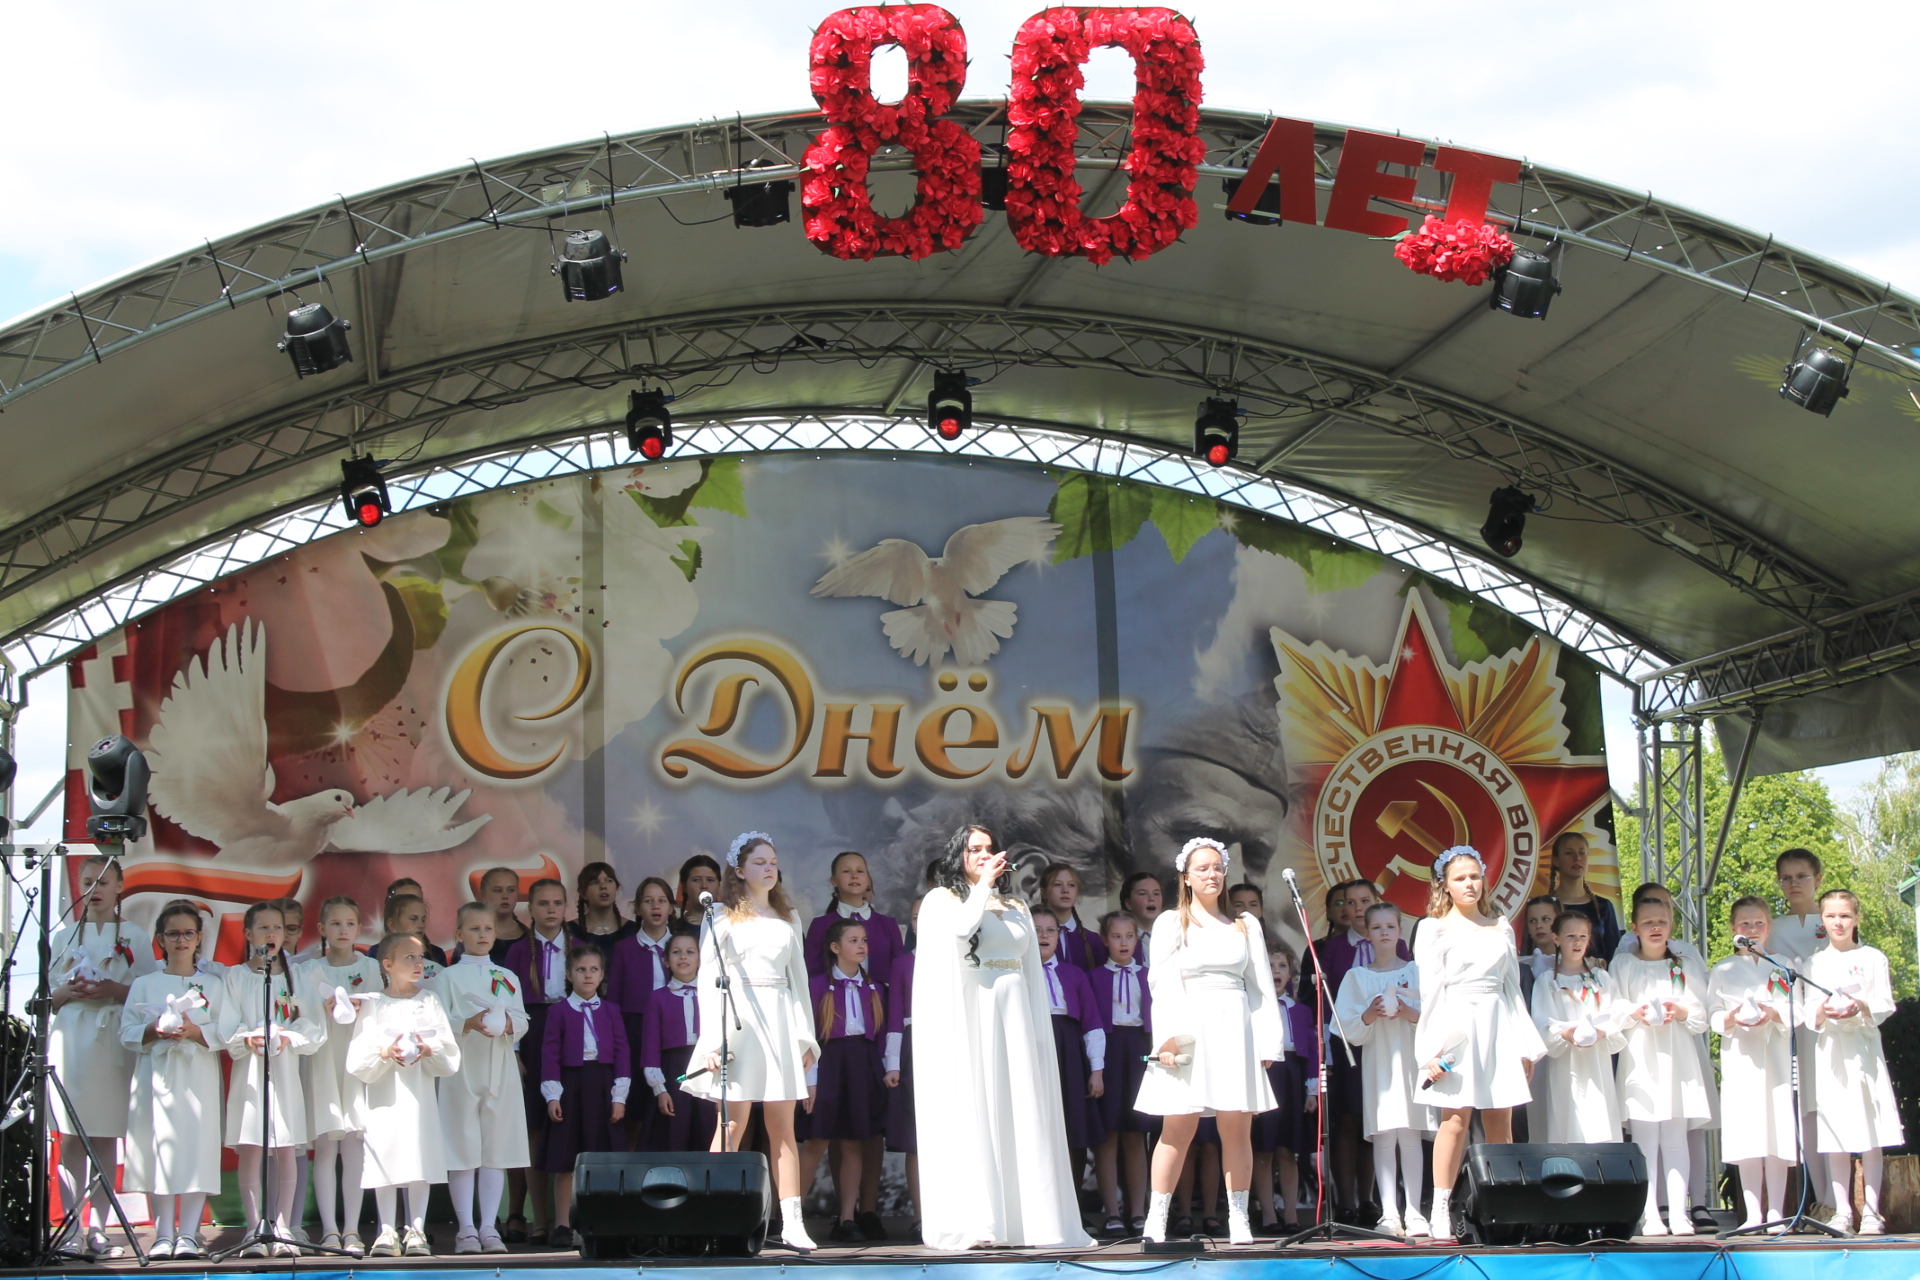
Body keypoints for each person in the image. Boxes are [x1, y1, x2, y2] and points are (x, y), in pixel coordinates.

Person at [914, 824, 1092, 1250]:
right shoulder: (943, 900)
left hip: (1016, 1014)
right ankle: (980, 1219)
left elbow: (1030, 967)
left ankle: (1034, 1220)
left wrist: (1037, 1030)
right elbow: (962, 931)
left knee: (1022, 1108)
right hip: (973, 1014)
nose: (984, 855)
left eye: (989, 848)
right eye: (974, 849)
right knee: (980, 1105)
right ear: (959, 855)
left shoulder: (1015, 904)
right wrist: (981, 888)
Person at [1136, 838, 1284, 1246]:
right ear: (1186, 877)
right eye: (1202, 868)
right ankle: (1156, 1217)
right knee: (1177, 1125)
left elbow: (1261, 987)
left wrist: (1267, 1042)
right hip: (1190, 1027)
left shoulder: (1244, 924)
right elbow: (1161, 984)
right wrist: (1168, 1040)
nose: (1212, 874)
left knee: (1236, 1127)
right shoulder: (1171, 922)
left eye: (1217, 867)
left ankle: (1239, 1217)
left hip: (1235, 1026)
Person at [683, 833, 819, 1252]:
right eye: (760, 862)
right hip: (737, 1023)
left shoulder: (788, 917)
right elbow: (708, 980)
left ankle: (792, 1222)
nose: (769, 868)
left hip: (778, 1020)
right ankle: (713, 1217)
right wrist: (712, 1040)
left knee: (783, 1126)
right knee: (731, 1124)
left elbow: (799, 981)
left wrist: (806, 1038)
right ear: (740, 871)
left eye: (773, 861)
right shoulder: (720, 915)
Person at [1414, 847, 1545, 1244]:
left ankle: (1502, 1205)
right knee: (1454, 1119)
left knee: (1500, 1121)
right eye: (1460, 878)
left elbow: (1512, 990)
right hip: (1456, 1025)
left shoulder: (1501, 927)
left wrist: (1523, 1044)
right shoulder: (1433, 929)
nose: (1469, 884)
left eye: (1474, 876)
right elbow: (1430, 993)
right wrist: (1431, 1052)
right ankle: (1440, 1206)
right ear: (1445, 885)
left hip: (1498, 1024)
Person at [48, 853, 155, 1258]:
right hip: (71, 1038)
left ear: (119, 887)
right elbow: (48, 997)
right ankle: (71, 1229)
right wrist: (67, 991)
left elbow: (149, 991)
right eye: (87, 882)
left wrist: (113, 990)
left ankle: (98, 1228)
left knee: (105, 1134)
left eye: (103, 882)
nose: (94, 890)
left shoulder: (135, 936)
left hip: (110, 1037)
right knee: (71, 1135)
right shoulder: (63, 936)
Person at [120, 899, 225, 1261]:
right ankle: (164, 1234)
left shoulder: (213, 984)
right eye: (173, 934)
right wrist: (153, 1030)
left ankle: (189, 1234)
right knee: (159, 1149)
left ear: (199, 938)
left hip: (198, 1077)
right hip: (157, 1078)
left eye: (188, 933)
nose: (181, 940)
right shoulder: (145, 983)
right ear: (161, 939)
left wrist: (195, 1032)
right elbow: (127, 1032)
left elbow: (227, 1030)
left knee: (197, 1148)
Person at [219, 900, 322, 1257]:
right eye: (263, 928)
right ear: (248, 934)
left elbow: (312, 1024)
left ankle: (282, 1226)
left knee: (285, 1146)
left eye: (277, 927)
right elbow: (227, 1025)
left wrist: (290, 1037)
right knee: (252, 1145)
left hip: (285, 1072)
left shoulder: (298, 976)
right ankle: (254, 1228)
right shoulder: (236, 977)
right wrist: (247, 1038)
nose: (272, 934)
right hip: (251, 1073)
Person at [348, 930, 461, 1257]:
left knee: (418, 1154)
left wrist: (428, 1049)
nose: (418, 963)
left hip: (418, 1096)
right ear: (388, 964)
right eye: (409, 957)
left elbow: (448, 1053)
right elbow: (357, 1059)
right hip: (384, 1096)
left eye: (420, 956)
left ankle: (416, 1229)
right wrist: (385, 1053)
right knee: (384, 1154)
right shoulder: (373, 1003)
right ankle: (386, 1229)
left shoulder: (429, 1001)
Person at [432, 903, 530, 1254]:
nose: (483, 934)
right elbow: (437, 1022)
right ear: (459, 934)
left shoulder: (507, 977)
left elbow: (521, 1019)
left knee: (495, 1148)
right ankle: (466, 1229)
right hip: (460, 1069)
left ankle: (489, 1226)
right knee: (462, 1147)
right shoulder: (446, 979)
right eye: (474, 929)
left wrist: (508, 1024)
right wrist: (468, 1023)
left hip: (499, 1066)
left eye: (488, 928)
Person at [1612, 893, 1711, 1237]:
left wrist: (1681, 1011)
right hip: (1641, 1057)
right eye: (1648, 922)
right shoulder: (1623, 965)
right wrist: (1635, 1012)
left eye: (1662, 922)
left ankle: (1680, 1212)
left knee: (1675, 1137)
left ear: (1671, 926)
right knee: (1645, 1138)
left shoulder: (1682, 964)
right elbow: (1613, 1008)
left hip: (1677, 1057)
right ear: (1635, 928)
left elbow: (1701, 1013)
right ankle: (1649, 1212)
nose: (1656, 928)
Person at [1806, 889, 1903, 1235]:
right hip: (1832, 1052)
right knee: (1836, 1132)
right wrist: (1823, 1010)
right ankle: (1842, 1210)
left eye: (1845, 915)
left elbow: (1884, 1003)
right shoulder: (1814, 962)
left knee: (1870, 1130)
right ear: (1822, 920)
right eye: (1831, 916)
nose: (1838, 922)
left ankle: (1873, 1211)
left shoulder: (1873, 957)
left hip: (1864, 1052)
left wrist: (1860, 1006)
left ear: (1856, 918)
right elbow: (1808, 1011)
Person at [1334, 903, 1430, 1238]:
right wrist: (1369, 1014)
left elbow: (1435, 1016)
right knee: (1385, 1134)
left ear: (1400, 931)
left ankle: (1415, 1212)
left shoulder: (1418, 972)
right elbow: (1345, 1027)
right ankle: (1389, 1212)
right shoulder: (1357, 977)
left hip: (1411, 1061)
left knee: (1410, 1133)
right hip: (1378, 1064)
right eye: (1377, 927)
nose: (1384, 933)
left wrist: (1407, 1011)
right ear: (1367, 933)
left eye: (1390, 926)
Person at [300, 896, 383, 1254]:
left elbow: (382, 1009)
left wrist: (365, 1007)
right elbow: (301, 1017)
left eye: (349, 923)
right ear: (322, 929)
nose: (343, 930)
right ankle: (329, 1230)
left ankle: (352, 1229)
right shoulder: (309, 970)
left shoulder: (371, 967)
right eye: (335, 924)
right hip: (323, 1064)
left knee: (354, 1147)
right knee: (325, 1146)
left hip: (357, 1064)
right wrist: (322, 1010)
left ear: (359, 928)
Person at [1707, 898, 1795, 1231]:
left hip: (1775, 1060)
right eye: (1745, 924)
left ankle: (1776, 1211)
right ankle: (1753, 1213)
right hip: (1742, 1059)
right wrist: (1730, 1018)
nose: (1752, 930)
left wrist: (1773, 1013)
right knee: (1748, 1134)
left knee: (1776, 1132)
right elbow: (1713, 1014)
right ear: (1734, 928)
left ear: (1768, 927)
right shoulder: (1723, 969)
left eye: (1759, 923)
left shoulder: (1783, 965)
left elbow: (1796, 1011)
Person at [800, 918, 888, 1242]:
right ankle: (788, 1217)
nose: (861, 946)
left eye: (864, 940)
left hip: (861, 1064)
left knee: (853, 1142)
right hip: (827, 1063)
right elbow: (807, 1039)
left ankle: (848, 1217)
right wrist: (809, 1079)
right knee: (816, 1140)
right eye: (853, 941)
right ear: (835, 947)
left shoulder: (875, 989)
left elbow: (880, 1037)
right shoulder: (816, 986)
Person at [539, 943, 628, 1249]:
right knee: (566, 1158)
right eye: (580, 970)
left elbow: (622, 1052)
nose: (587, 976)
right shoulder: (558, 1012)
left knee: (602, 1157)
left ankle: (599, 1222)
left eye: (593, 970)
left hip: (603, 1085)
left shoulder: (612, 1011)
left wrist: (619, 1096)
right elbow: (550, 1054)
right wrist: (553, 1095)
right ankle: (563, 1224)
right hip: (570, 1086)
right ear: (569, 975)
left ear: (602, 975)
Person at [501, 876, 570, 1246]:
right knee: (533, 1128)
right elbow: (508, 1006)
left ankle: (566, 1221)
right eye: (543, 903)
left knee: (567, 1126)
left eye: (557, 903)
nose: (551, 910)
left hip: (569, 1034)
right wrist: (514, 1052)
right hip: (530, 1033)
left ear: (566, 907)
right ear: (530, 909)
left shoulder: (579, 947)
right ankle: (539, 1220)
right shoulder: (517, 952)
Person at [1528, 912, 1625, 1144]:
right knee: (1568, 1116)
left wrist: (1600, 1032)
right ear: (1556, 938)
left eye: (1583, 936)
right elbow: (1542, 1023)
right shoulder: (1547, 981)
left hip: (1597, 1062)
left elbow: (1616, 1013)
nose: (1577, 942)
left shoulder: (1600, 978)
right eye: (1570, 936)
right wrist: (1567, 1034)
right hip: (1565, 1063)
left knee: (1599, 1115)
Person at [1033, 908, 1106, 1185]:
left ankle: (1073, 1200)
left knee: (1073, 1127)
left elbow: (1092, 1025)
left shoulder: (1074, 975)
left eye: (1050, 930)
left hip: (1069, 1055)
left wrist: (1096, 1071)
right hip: (1032, 1053)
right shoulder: (1015, 975)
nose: (1043, 936)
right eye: (1036, 930)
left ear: (1058, 936)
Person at [1090, 911, 1151, 1237]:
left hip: (1139, 1051)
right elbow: (1092, 1024)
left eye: (1129, 936)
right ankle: (1112, 1212)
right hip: (1109, 1050)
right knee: (1108, 1134)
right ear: (1105, 940)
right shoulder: (1095, 977)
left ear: (1137, 940)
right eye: (1116, 936)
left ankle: (1138, 1211)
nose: (1124, 942)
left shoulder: (1149, 976)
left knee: (1136, 1134)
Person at [1252, 941, 1316, 1232]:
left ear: (1290, 973)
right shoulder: (1253, 1009)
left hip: (1292, 1077)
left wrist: (1311, 1090)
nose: (1276, 971)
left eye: (1281, 966)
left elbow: (1312, 1051)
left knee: (1287, 1151)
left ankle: (1291, 1215)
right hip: (1266, 1076)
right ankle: (1268, 1213)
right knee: (1263, 1151)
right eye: (1270, 966)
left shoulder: (1300, 1011)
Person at [609, 874, 678, 1135]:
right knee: (635, 1107)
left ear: (671, 908)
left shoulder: (683, 947)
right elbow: (614, 1001)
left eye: (662, 901)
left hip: (673, 1032)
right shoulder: (624, 949)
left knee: (672, 1101)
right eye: (648, 901)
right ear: (638, 908)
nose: (656, 906)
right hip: (634, 1031)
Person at [640, 933, 717, 1152]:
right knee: (675, 1131)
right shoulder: (657, 998)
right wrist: (660, 1089)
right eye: (676, 952)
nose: (683, 957)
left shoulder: (712, 995)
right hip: (673, 1073)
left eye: (690, 952)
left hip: (706, 1069)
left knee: (706, 1129)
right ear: (666, 961)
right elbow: (650, 1048)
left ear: (700, 959)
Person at [882, 899, 922, 1240]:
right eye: (916, 918)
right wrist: (893, 1064)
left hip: (954, 1045)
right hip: (914, 1048)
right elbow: (895, 1015)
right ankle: (922, 1217)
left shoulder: (961, 961)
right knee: (916, 1140)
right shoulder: (903, 964)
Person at [805, 851, 906, 984]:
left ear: (868, 880)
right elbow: (812, 973)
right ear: (834, 881)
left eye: (860, 871)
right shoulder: (820, 925)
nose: (854, 876)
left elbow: (899, 975)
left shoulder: (888, 924)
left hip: (881, 997)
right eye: (846, 871)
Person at [1545, 833, 1622, 962]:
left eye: (1582, 853)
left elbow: (1614, 953)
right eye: (1569, 853)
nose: (1577, 858)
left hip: (1596, 974)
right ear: (1556, 860)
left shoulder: (1603, 906)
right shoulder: (1544, 906)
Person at [1039, 863, 1103, 970]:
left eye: (1071, 885)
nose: (1065, 890)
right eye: (1057, 884)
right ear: (1044, 892)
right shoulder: (1034, 937)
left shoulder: (1093, 940)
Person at [573, 862, 636, 948]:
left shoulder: (632, 930)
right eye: (595, 882)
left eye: (609, 881)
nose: (603, 886)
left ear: (616, 888)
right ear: (583, 893)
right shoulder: (569, 931)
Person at [384, 895, 444, 977]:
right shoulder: (374, 964)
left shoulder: (437, 969)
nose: (421, 925)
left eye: (423, 920)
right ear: (392, 924)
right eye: (413, 919)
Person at [478, 867, 528, 961]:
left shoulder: (530, 938)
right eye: (498, 890)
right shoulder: (472, 936)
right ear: (483, 894)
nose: (505, 896)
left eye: (511, 890)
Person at [1119, 871, 1165, 966]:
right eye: (1143, 894)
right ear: (1128, 903)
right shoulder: (1120, 940)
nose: (1151, 898)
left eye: (1156, 893)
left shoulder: (1172, 936)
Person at [674, 854, 723, 933]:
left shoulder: (731, 926)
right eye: (696, 880)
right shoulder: (673, 930)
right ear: (685, 887)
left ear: (718, 885)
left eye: (710, 880)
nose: (704, 886)